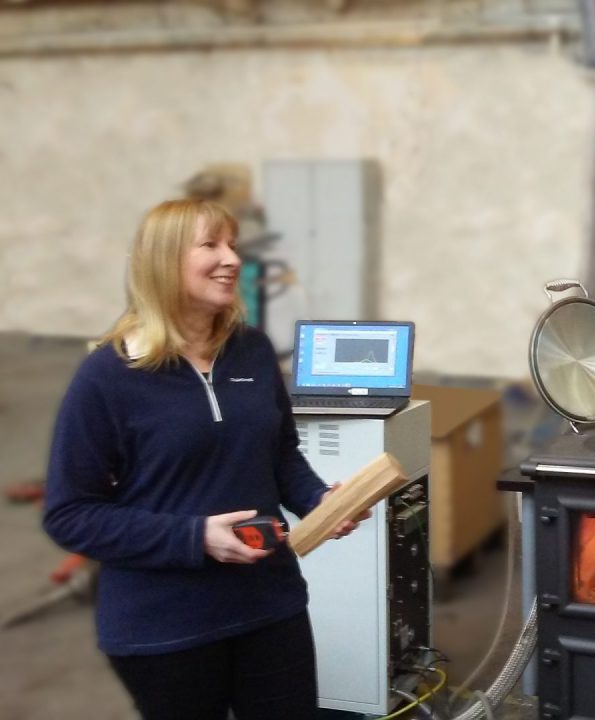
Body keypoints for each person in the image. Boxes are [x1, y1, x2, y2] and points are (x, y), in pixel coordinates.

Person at [43, 198, 364, 720]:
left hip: (270, 604)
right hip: (164, 627)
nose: (232, 259)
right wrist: (194, 538)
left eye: (233, 245)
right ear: (164, 262)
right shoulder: (108, 376)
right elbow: (70, 513)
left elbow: (280, 453)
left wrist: (319, 500)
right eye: (210, 245)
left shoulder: (253, 350)